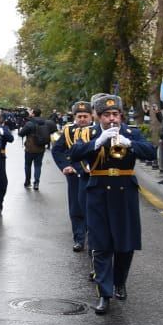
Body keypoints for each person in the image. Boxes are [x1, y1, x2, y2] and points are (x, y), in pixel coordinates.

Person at [68, 94, 156, 315]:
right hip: (98, 192)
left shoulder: (131, 132)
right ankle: (104, 295)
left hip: (124, 192)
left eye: (115, 114)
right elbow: (74, 153)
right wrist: (97, 142)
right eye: (106, 115)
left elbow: (151, 152)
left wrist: (130, 144)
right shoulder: (89, 133)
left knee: (125, 245)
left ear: (121, 115)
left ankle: (120, 282)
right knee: (101, 245)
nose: (111, 119)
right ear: (98, 116)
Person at [50, 101, 94, 252]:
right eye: (79, 116)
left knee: (92, 207)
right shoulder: (69, 131)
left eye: (85, 116)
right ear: (74, 117)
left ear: (91, 116)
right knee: (76, 207)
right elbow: (57, 150)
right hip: (74, 175)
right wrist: (64, 166)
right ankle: (79, 239)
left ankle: (93, 239)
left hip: (92, 175)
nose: (82, 119)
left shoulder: (96, 130)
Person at [18, 108, 53, 189]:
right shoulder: (46, 122)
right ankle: (36, 183)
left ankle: (27, 181)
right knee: (38, 166)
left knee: (27, 165)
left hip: (30, 148)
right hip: (41, 147)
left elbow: (21, 133)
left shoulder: (29, 123)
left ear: (33, 114)